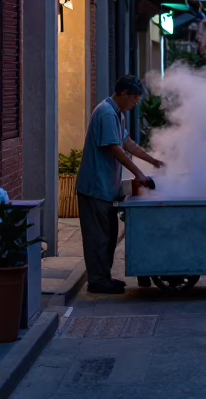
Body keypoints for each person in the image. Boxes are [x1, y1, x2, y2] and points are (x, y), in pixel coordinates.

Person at [75, 75, 163, 294]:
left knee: (109, 235)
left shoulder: (117, 114)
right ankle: (97, 281)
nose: (135, 104)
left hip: (106, 188)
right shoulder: (106, 113)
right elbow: (116, 150)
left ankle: (104, 277)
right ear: (123, 93)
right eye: (134, 99)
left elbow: (128, 144)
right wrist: (140, 174)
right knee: (98, 237)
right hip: (95, 187)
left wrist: (152, 160)